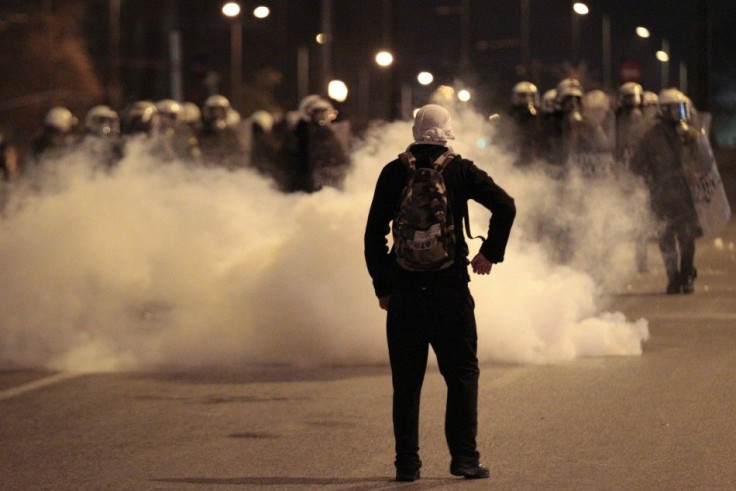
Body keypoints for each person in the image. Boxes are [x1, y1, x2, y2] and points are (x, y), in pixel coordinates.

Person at [364, 104, 516, 482]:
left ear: (415, 130)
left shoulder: (394, 171)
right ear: (447, 132)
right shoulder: (461, 169)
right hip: (450, 291)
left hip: (405, 293)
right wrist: (489, 254)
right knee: (462, 373)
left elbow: (372, 236)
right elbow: (505, 205)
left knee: (407, 382)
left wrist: (384, 286)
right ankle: (464, 459)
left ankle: (407, 465)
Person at [630, 88, 700, 294]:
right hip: (661, 195)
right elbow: (635, 165)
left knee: (687, 238)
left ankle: (687, 275)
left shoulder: (689, 134)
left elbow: (702, 160)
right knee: (666, 239)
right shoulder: (651, 137)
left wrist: (692, 141)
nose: (679, 113)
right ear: (663, 110)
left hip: (686, 194)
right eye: (675, 109)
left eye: (682, 108)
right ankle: (673, 277)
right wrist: (648, 178)